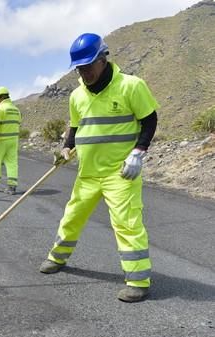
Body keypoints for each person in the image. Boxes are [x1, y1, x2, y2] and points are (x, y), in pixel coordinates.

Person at [39, 33, 159, 303]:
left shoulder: (130, 86)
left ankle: (138, 281)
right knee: (71, 217)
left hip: (120, 173)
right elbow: (75, 127)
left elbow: (149, 120)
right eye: (79, 69)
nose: (84, 73)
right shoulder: (76, 96)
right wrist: (66, 148)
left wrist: (138, 153)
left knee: (127, 225)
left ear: (103, 60)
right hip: (88, 173)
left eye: (88, 66)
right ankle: (57, 258)